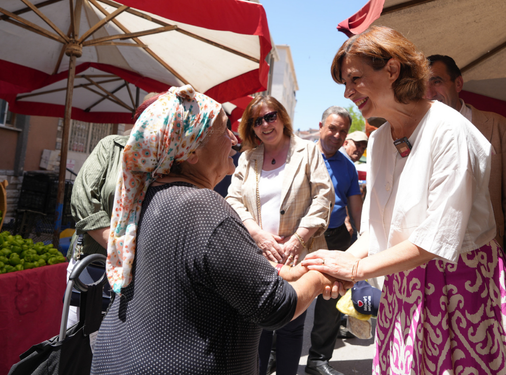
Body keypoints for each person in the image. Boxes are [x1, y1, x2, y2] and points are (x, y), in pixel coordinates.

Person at [303, 26, 506, 374]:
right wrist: (336, 263)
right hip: (402, 282)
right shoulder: (381, 140)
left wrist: (356, 269)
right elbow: (378, 228)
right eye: (344, 84)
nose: (348, 92)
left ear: (392, 70)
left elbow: (437, 239)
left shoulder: (449, 130)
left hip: (461, 285)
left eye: (355, 78)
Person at [91, 86, 346, 375]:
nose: (235, 140)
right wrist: (320, 273)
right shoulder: (203, 207)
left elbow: (200, 272)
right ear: (192, 150)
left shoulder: (150, 195)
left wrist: (281, 271)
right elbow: (276, 305)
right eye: (225, 130)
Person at [226, 95, 334, 375]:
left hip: (297, 255)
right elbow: (233, 199)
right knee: (257, 325)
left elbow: (324, 196)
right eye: (257, 120)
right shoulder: (248, 158)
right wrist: (258, 235)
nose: (265, 124)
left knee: (291, 326)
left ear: (282, 117)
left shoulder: (308, 151)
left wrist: (298, 238)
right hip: (258, 255)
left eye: (270, 116)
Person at [425, 54, 506, 294]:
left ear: (458, 84)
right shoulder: (417, 133)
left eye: (436, 81)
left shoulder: (498, 127)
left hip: (487, 261)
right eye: (422, 85)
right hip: (429, 262)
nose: (429, 92)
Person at [67, 92, 162, 327]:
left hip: (142, 276)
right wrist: (119, 246)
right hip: (93, 263)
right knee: (78, 340)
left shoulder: (169, 162)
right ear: (139, 118)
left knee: (116, 347)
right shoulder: (111, 147)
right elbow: (82, 198)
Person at [306, 106, 363, 375]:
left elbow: (355, 207)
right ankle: (274, 354)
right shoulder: (300, 157)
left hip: (337, 236)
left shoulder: (349, 167)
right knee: (289, 295)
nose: (337, 135)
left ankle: (318, 360)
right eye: (332, 128)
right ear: (320, 126)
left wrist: (361, 238)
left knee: (329, 303)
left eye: (343, 131)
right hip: (303, 237)